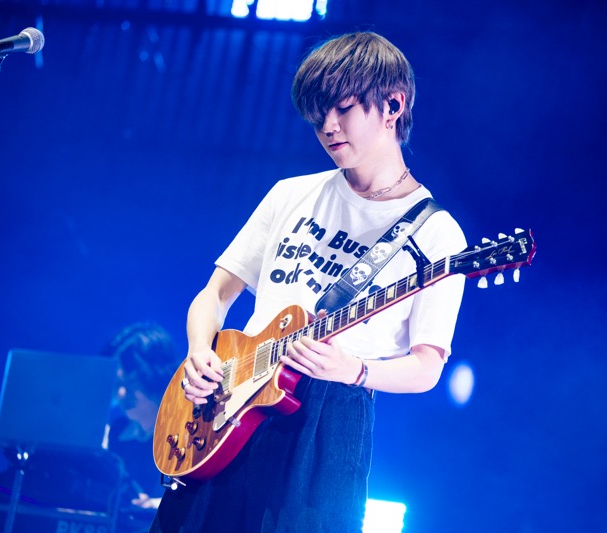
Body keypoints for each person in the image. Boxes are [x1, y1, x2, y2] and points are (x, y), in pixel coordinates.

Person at [150, 31, 467, 532]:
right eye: (317, 116)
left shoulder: (437, 233)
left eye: (342, 109)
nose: (328, 127)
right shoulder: (290, 194)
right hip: (230, 398)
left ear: (393, 105)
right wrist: (198, 352)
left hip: (329, 418)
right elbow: (215, 293)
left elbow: (428, 367)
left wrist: (355, 370)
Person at [103, 322, 180, 513]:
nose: (120, 394)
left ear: (155, 375)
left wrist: (153, 505)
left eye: (130, 382)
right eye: (116, 384)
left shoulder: (189, 431)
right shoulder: (116, 432)